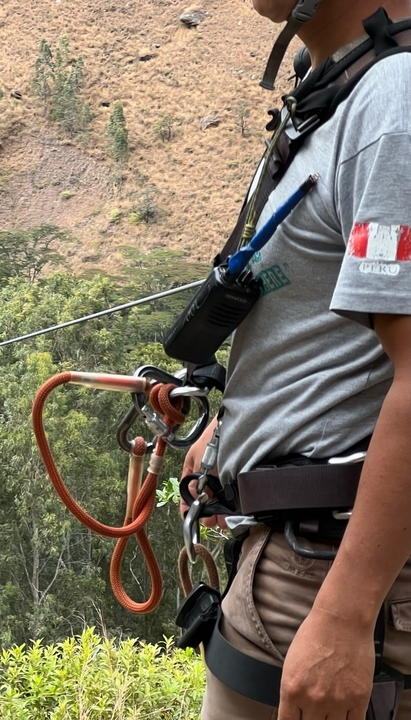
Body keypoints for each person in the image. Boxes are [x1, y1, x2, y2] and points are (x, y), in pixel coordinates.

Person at [178, 1, 411, 718]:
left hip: (329, 573)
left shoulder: (391, 103)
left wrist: (345, 613)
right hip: (306, 559)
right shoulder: (342, 93)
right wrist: (238, 427)